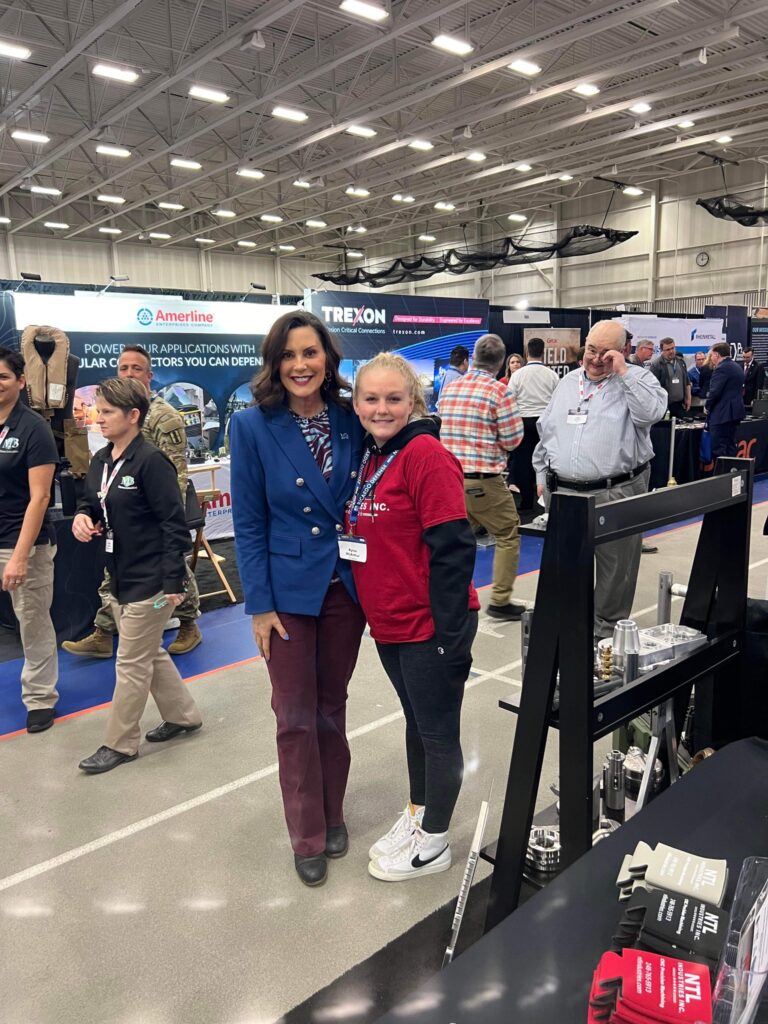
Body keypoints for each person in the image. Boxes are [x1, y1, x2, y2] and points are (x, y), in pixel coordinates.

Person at [229, 310, 366, 888]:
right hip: (285, 594)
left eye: (309, 353)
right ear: (274, 363)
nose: (300, 365)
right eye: (288, 355)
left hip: (344, 590)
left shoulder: (350, 417)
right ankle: (306, 830)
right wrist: (258, 604)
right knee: (293, 716)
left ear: (327, 360)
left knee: (331, 706)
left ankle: (334, 811)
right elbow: (249, 520)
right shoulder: (252, 425)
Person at [347, 353, 479, 881]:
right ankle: (419, 813)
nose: (382, 409)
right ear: (356, 404)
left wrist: (449, 639)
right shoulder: (372, 456)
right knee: (418, 726)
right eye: (371, 399)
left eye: (394, 399)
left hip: (430, 627)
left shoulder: (425, 455)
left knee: (439, 734)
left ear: (414, 402)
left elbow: (453, 548)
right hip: (390, 624)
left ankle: (437, 842)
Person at [73, 378, 202, 774]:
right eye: (98, 410)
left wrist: (173, 584)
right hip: (121, 575)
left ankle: (120, 743)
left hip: (153, 582)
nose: (99, 419)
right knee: (149, 652)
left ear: (133, 416)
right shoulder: (101, 461)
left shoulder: (151, 462)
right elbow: (91, 501)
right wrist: (83, 516)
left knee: (130, 662)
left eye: (108, 412)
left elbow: (173, 526)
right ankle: (184, 715)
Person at [63, 345, 202, 658]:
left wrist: (169, 523)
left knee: (173, 561)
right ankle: (103, 630)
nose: (128, 373)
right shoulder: (114, 412)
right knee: (114, 565)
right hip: (122, 505)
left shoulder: (164, 417)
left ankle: (188, 622)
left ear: (149, 375)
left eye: (136, 368)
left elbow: (176, 473)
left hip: (156, 509)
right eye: (123, 368)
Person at [533, 321, 667, 639]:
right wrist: (541, 474)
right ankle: (570, 632)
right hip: (562, 492)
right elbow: (546, 431)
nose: (595, 359)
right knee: (566, 568)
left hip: (617, 491)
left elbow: (652, 414)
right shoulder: (567, 383)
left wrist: (622, 372)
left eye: (605, 352)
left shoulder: (638, 379)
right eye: (591, 349)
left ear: (622, 352)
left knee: (616, 572)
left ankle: (605, 639)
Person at [439, 334, 525, 620]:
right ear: (501, 363)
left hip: (450, 480)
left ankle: (450, 597)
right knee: (507, 533)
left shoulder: (451, 388)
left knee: (456, 541)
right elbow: (513, 440)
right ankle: (500, 600)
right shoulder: (499, 391)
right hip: (483, 482)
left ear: (473, 357)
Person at [0, 347, 59, 733]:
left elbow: (40, 497)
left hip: (22, 544)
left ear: (21, 382)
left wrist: (20, 557)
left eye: (2, 377)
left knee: (33, 624)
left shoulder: (33, 428)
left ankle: (40, 698)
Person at [506, 337, 559, 511]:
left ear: (526, 353)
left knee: (523, 461)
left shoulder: (517, 375)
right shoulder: (552, 375)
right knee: (546, 460)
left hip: (523, 421)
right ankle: (545, 501)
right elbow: (557, 400)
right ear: (543, 352)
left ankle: (526, 500)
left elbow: (510, 399)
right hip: (545, 422)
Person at [706, 342, 745, 459]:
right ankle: (731, 475)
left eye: (712, 355)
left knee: (719, 449)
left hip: (722, 414)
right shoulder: (736, 366)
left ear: (717, 355)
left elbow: (715, 392)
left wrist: (707, 407)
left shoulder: (721, 369)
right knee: (730, 446)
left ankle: (721, 476)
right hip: (734, 413)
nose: (711, 358)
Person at [649, 337, 691, 417]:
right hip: (665, 406)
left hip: (680, 405)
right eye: (668, 350)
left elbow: (687, 382)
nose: (671, 351)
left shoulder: (680, 362)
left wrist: (688, 398)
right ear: (662, 351)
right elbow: (653, 387)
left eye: (672, 348)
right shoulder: (657, 365)